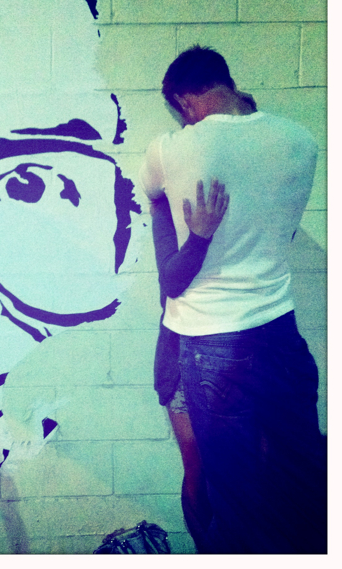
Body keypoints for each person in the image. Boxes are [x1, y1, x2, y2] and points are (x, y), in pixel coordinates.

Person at [140, 45, 326, 553]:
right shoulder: (302, 141)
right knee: (296, 473)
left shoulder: (171, 149)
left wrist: (198, 235)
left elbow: (170, 270)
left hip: (208, 343)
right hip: (277, 332)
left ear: (185, 101)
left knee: (229, 490)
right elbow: (282, 233)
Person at [151, 178, 228, 553]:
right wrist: (199, 237)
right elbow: (172, 281)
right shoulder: (163, 204)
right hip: (182, 357)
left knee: (241, 472)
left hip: (241, 354)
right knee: (199, 470)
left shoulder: (256, 199)